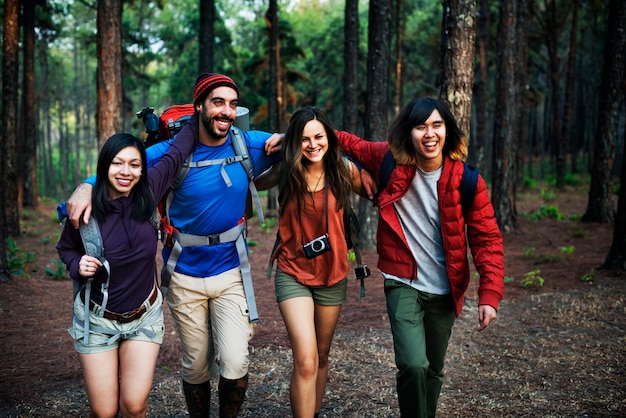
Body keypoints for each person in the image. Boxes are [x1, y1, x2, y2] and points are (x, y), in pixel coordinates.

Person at [63, 73, 282, 417]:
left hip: (231, 272)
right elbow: (125, 167)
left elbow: (309, 142)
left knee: (236, 361)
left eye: (232, 104)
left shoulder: (248, 144)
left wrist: (288, 137)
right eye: (217, 102)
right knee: (195, 365)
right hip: (183, 272)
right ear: (199, 107)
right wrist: (85, 186)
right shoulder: (170, 151)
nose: (226, 111)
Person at [335, 97, 505, 417]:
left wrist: (490, 294)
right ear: (409, 133)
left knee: (433, 369)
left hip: (445, 287)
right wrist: (291, 136)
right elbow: (346, 142)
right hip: (402, 281)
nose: (429, 134)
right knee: (414, 364)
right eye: (420, 126)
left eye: (437, 125)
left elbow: (486, 239)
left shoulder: (467, 180)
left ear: (448, 131)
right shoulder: (389, 159)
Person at [57, 131, 195, 418]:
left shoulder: (149, 191)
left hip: (143, 318)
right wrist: (76, 265)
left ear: (143, 169)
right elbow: (66, 248)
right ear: (104, 166)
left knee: (134, 406)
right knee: (104, 412)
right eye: (117, 163)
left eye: (134, 164)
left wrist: (203, 108)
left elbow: (176, 153)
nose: (125, 172)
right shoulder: (85, 209)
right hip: (96, 322)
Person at [268, 106, 365, 418]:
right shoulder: (285, 169)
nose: (313, 144)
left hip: (332, 274)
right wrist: (276, 141)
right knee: (306, 358)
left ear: (329, 137)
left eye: (319, 137)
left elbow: (381, 187)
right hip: (292, 271)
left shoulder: (342, 169)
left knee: (322, 355)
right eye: (304, 138)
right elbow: (246, 176)